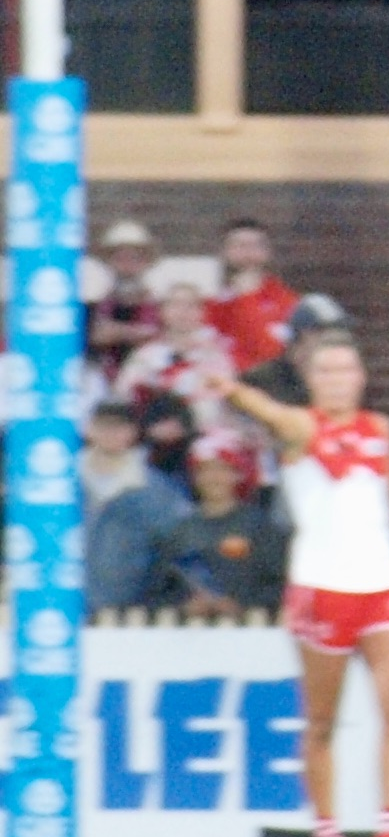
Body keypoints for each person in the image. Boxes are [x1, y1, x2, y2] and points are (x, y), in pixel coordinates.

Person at [209, 331, 389, 837]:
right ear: (311, 380)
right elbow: (268, 411)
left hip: (384, 582)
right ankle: (328, 833)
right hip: (322, 586)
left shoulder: (379, 429)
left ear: (362, 377)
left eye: (347, 370)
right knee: (322, 720)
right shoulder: (302, 427)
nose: (339, 380)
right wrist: (234, 391)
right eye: (327, 371)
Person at [147, 434, 288, 617]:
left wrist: (243, 606)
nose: (214, 478)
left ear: (238, 474)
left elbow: (280, 586)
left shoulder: (259, 527)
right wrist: (184, 607)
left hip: (252, 634)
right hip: (190, 636)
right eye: (205, 470)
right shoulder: (178, 531)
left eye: (223, 470)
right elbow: (156, 591)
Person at [82, 401, 189, 613]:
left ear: (133, 432)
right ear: (89, 429)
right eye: (104, 425)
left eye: (120, 426)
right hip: (61, 610)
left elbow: (180, 548)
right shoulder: (60, 485)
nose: (111, 433)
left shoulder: (157, 490)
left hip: (130, 614)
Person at [114, 283, 238, 433]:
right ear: (162, 311)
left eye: (191, 306)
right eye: (175, 304)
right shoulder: (145, 355)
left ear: (202, 312)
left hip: (201, 436)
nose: (182, 312)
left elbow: (221, 402)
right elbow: (125, 395)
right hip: (151, 434)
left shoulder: (217, 356)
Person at [204, 219, 299, 373]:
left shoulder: (286, 301)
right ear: (224, 252)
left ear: (267, 252)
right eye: (239, 246)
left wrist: (247, 298)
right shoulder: (212, 302)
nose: (247, 253)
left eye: (255, 246)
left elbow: (272, 355)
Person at [85, 218, 161, 382]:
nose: (127, 266)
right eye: (120, 259)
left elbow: (155, 337)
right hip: (104, 378)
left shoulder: (158, 305)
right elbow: (98, 336)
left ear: (146, 263)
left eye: (134, 259)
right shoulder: (97, 306)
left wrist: (117, 332)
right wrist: (136, 332)